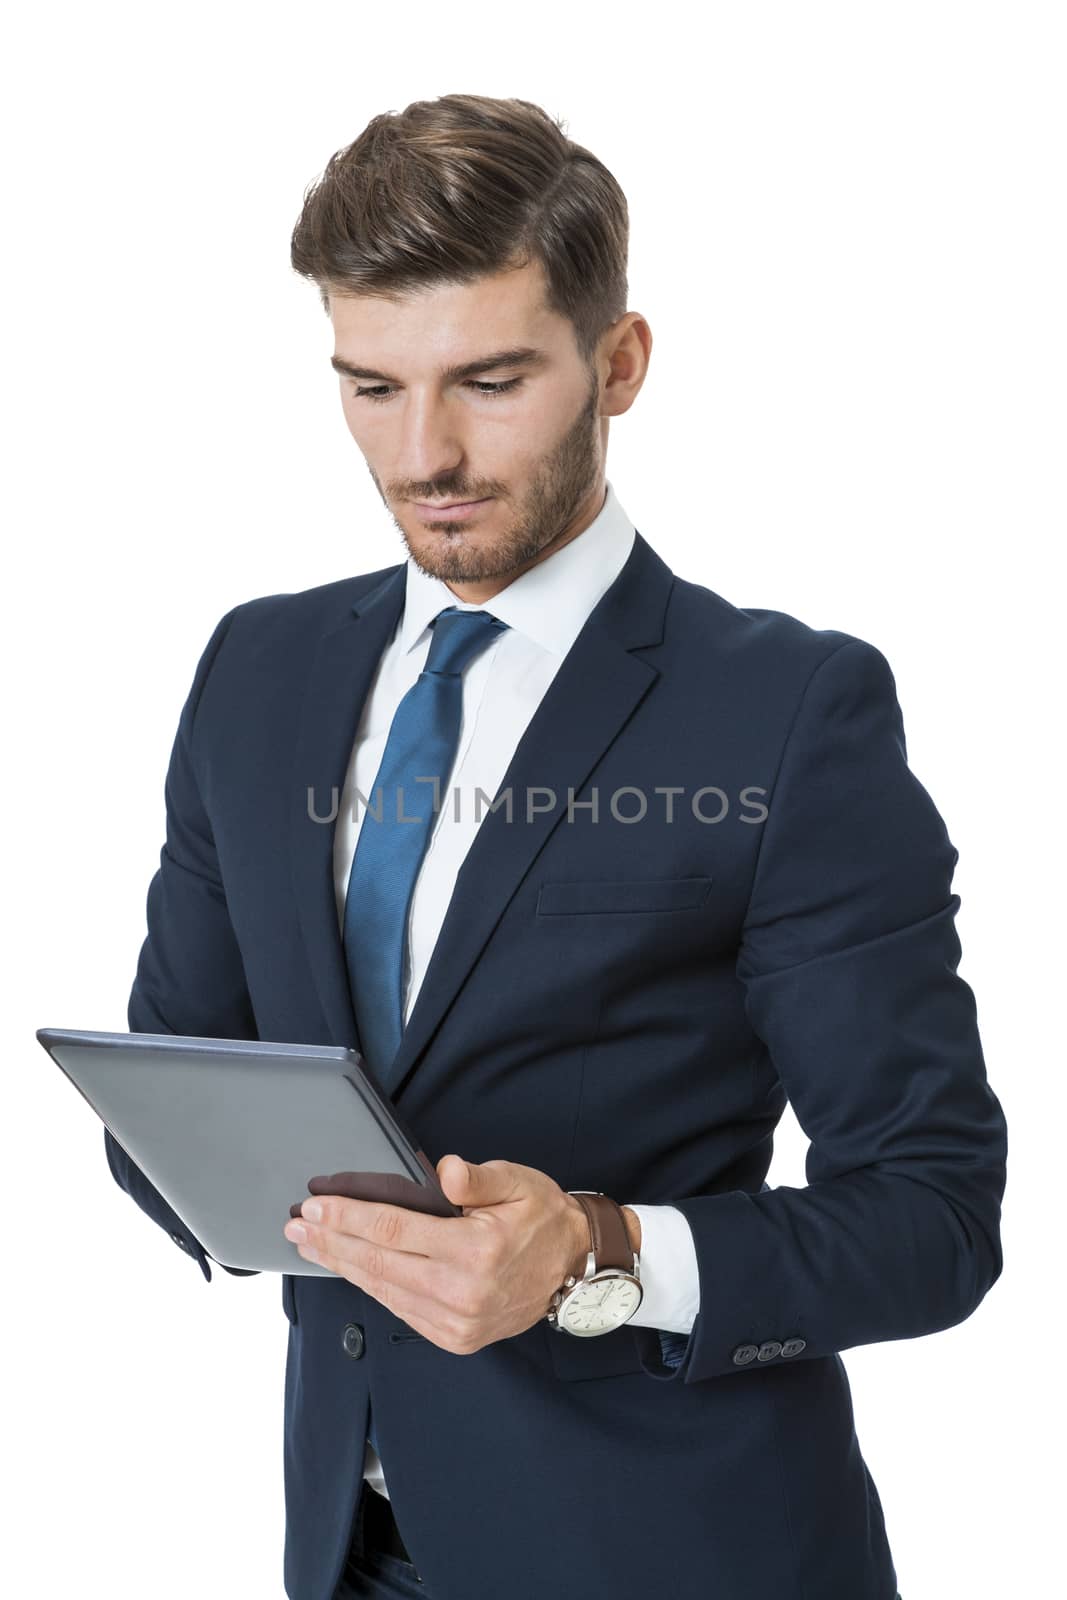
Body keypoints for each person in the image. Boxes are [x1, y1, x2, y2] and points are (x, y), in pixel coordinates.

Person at [104, 92, 1006, 1600]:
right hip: (350, 1549)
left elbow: (930, 1212)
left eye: (492, 380)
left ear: (621, 363)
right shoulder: (255, 676)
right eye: (371, 387)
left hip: (678, 1553)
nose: (426, 454)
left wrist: (593, 1254)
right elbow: (179, 1079)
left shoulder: (787, 712)